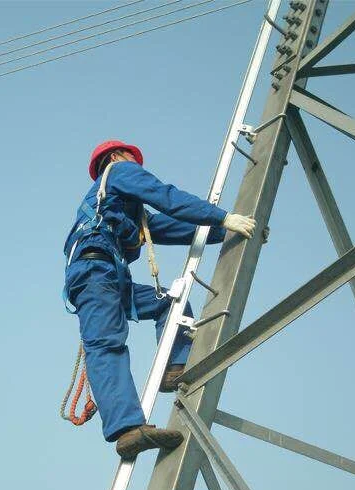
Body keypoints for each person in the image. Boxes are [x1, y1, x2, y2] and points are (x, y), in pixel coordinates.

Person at [63, 140, 255, 460]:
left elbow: (178, 226)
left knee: (168, 301)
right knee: (106, 344)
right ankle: (127, 429)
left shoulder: (126, 210)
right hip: (95, 274)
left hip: (110, 279)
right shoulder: (117, 171)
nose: (138, 166)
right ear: (115, 157)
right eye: (133, 160)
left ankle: (174, 367)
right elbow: (166, 197)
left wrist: (228, 228)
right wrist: (222, 216)